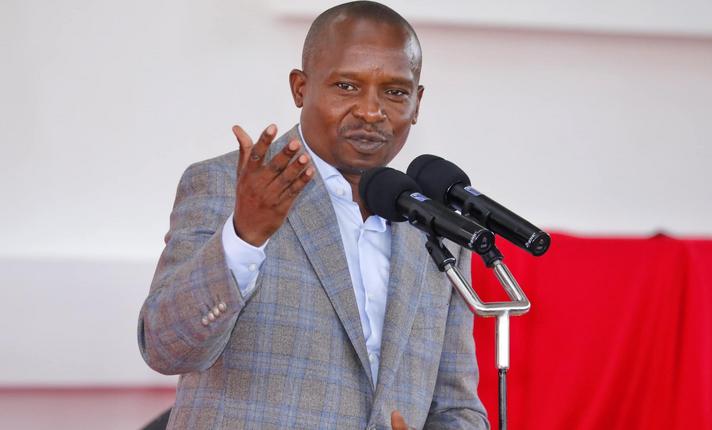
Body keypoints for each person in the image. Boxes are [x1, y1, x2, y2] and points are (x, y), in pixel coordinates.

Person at [137, 2, 488, 429]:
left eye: (395, 92)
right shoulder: (224, 185)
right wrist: (244, 236)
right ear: (301, 88)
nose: (371, 111)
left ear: (417, 102)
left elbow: (457, 406)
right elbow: (164, 348)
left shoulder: (435, 225)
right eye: (346, 86)